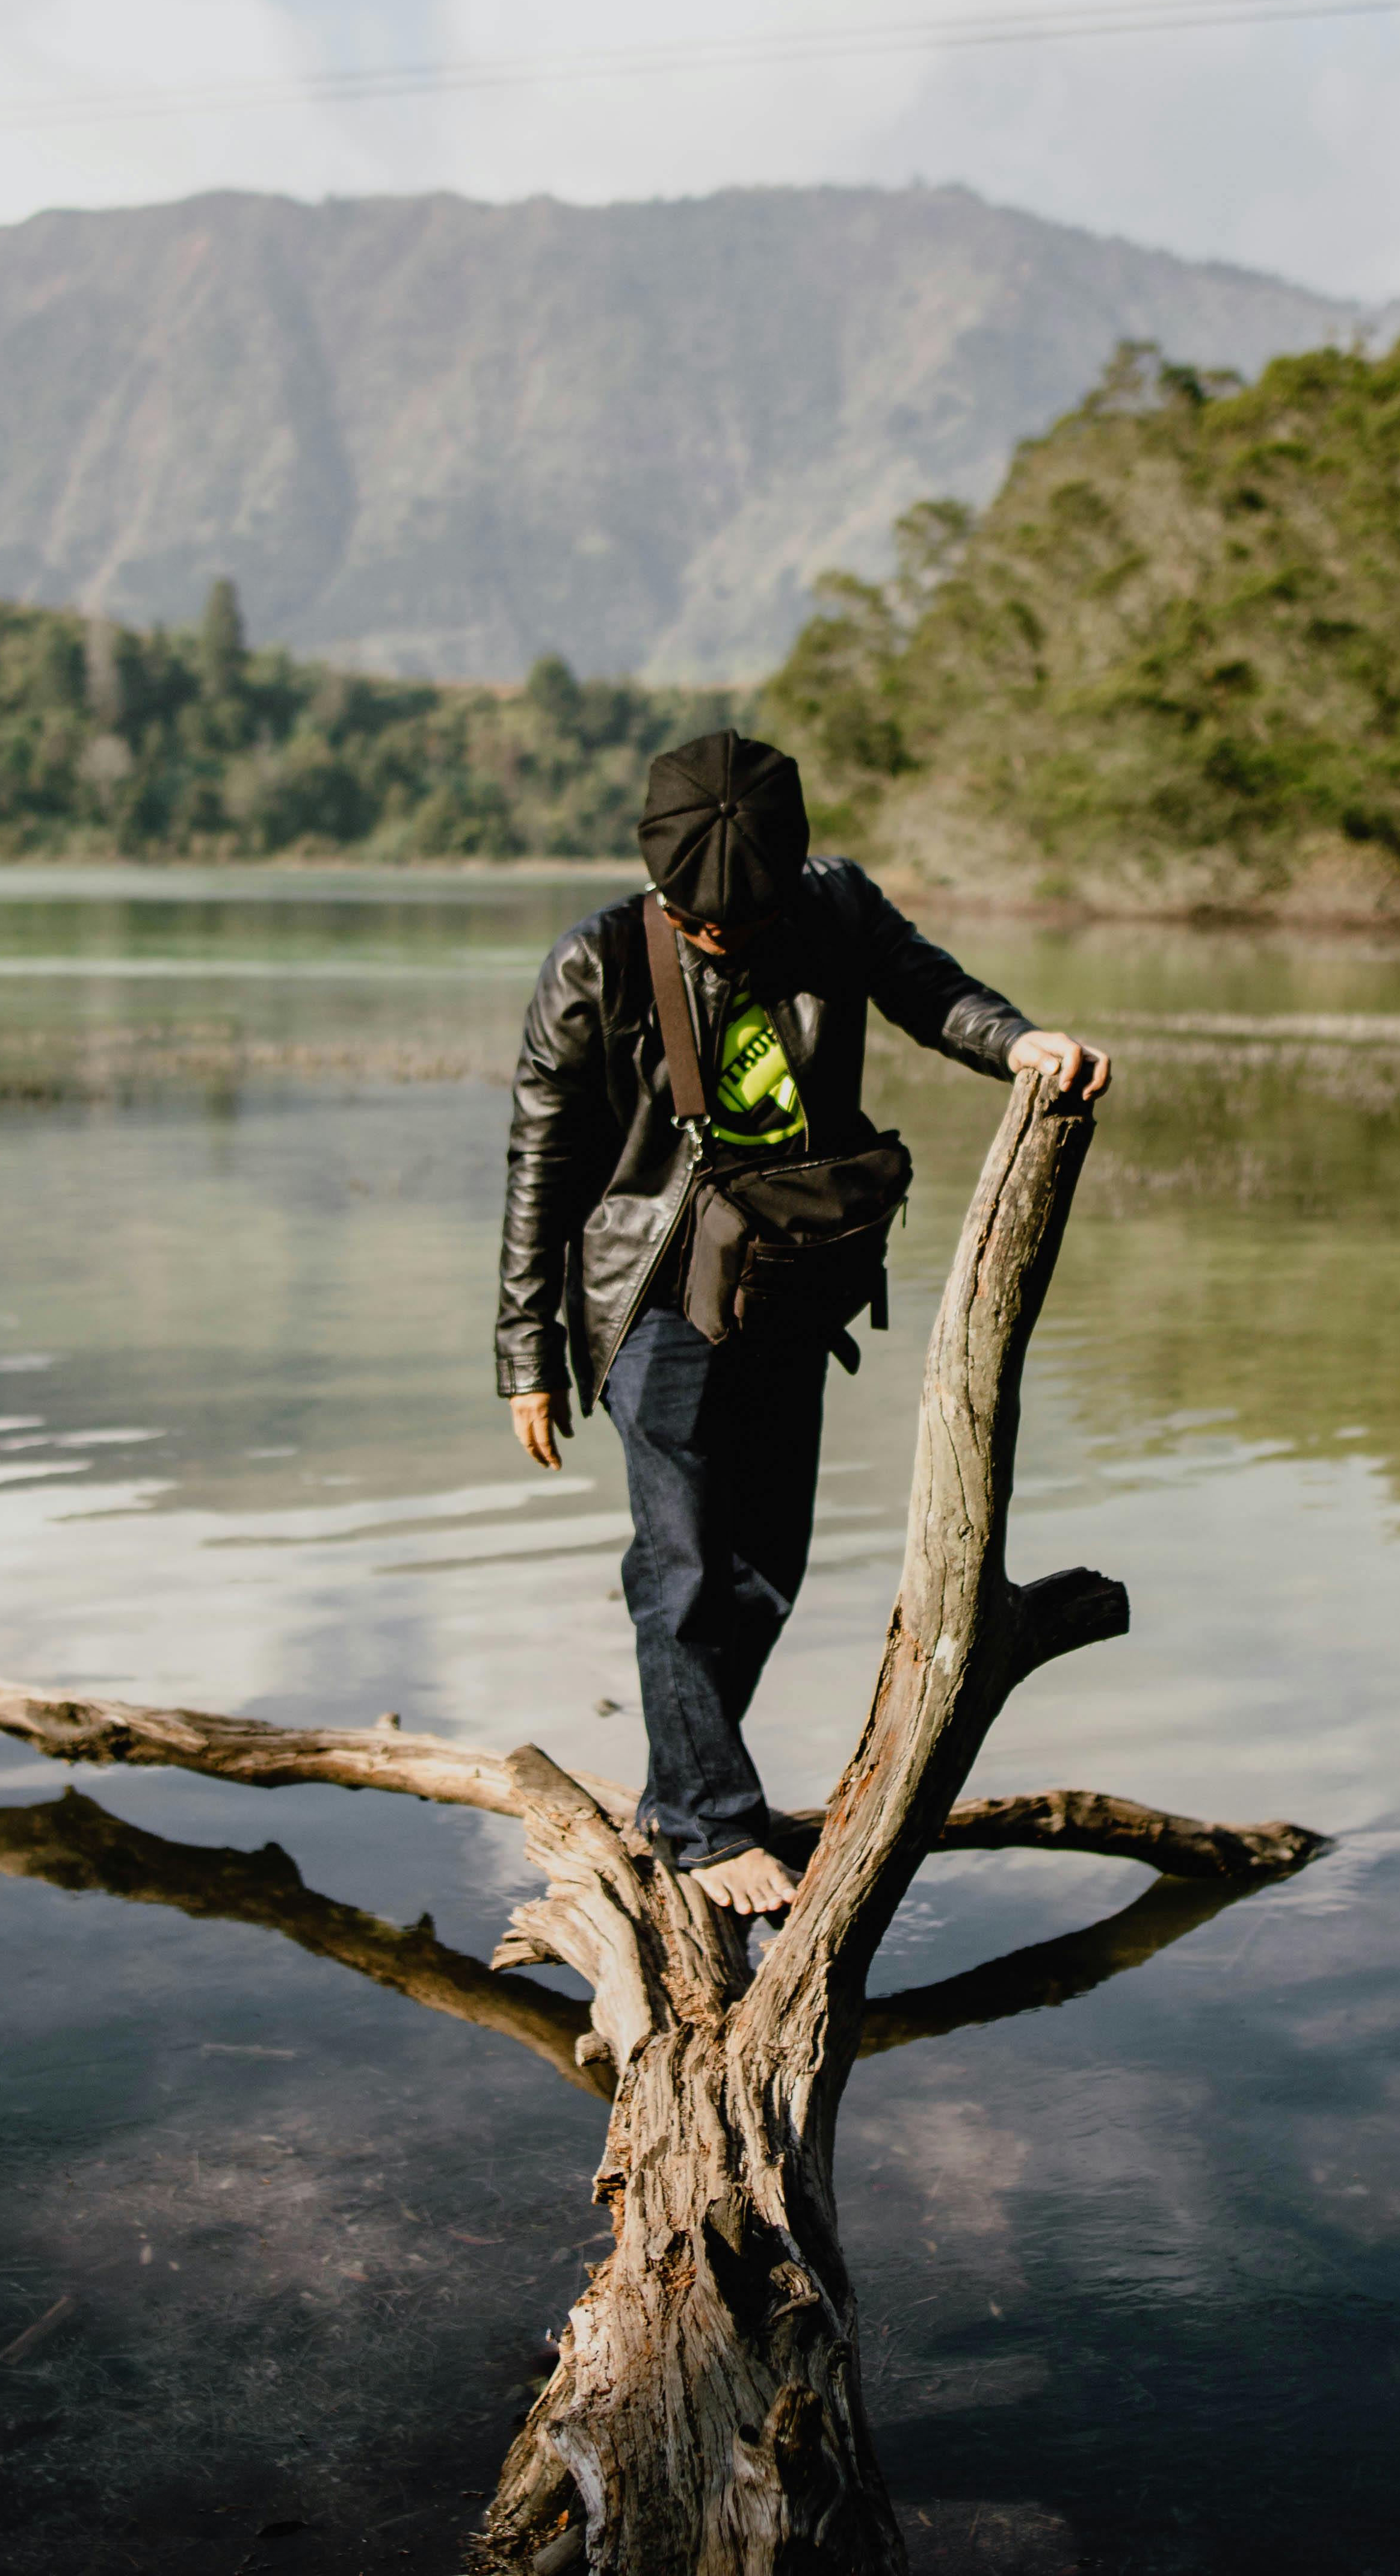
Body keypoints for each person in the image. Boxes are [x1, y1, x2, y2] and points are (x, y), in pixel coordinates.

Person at [495, 730, 1109, 1917]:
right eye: (701, 921)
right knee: (682, 1562)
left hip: (790, 1279)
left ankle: (684, 1782)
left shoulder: (835, 910)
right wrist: (527, 1355)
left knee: (767, 1568)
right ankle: (709, 1823)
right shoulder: (598, 965)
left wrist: (1018, 1044)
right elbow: (543, 1168)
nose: (721, 936)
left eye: (745, 919)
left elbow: (933, 993)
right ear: (660, 881)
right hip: (655, 1293)